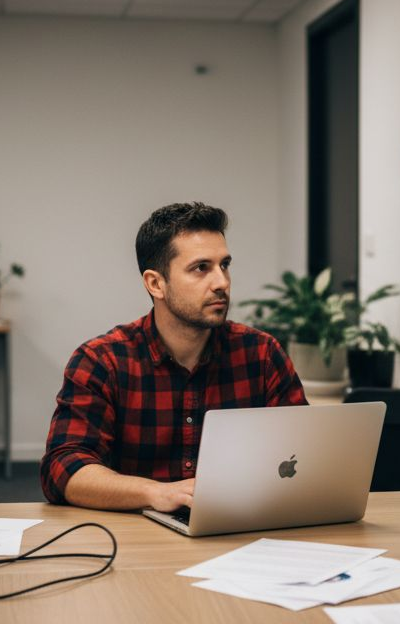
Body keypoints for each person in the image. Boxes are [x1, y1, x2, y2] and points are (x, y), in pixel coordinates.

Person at [41, 202, 307, 512]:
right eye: (201, 268)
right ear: (156, 284)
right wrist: (155, 493)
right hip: (137, 532)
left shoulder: (261, 355)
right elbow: (63, 467)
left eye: (224, 265)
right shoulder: (102, 361)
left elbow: (304, 453)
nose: (222, 282)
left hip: (240, 524)